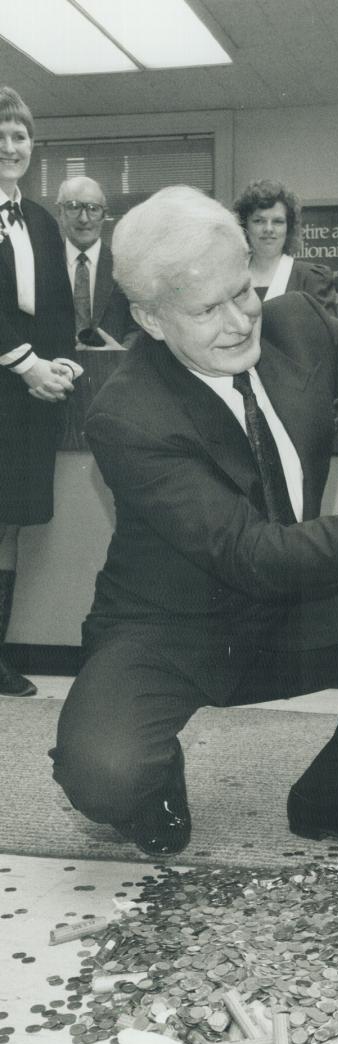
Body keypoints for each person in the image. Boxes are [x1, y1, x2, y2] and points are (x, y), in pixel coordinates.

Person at [50, 185, 338, 861]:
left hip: (296, 611)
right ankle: (154, 777)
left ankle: (329, 790)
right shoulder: (128, 414)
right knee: (101, 773)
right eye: (207, 309)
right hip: (173, 629)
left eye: (242, 291)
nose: (241, 321)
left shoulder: (295, 323)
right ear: (151, 320)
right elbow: (253, 554)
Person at [0, 86, 79, 697]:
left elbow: (59, 307)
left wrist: (61, 367)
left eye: (19, 135)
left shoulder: (44, 221)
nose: (10, 146)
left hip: (25, 401)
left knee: (10, 523)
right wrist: (25, 364)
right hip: (6, 379)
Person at [57, 175, 138, 350]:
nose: (84, 218)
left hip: (114, 371)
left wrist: (121, 352)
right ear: (60, 213)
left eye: (93, 209)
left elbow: (141, 325)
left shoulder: (127, 265)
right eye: (73, 207)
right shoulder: (43, 265)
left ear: (104, 215)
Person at [234, 178, 336, 310]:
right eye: (259, 221)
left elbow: (325, 330)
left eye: (278, 221)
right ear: (245, 226)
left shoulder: (312, 280)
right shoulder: (231, 277)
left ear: (289, 228)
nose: (268, 229)